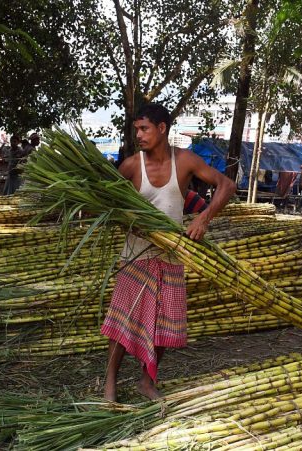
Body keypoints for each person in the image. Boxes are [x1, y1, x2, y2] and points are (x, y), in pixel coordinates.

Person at [100, 103, 235, 401]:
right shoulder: (131, 166)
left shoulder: (185, 161)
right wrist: (129, 221)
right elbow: (108, 207)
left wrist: (203, 217)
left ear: (162, 129)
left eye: (144, 128)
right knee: (122, 320)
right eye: (137, 129)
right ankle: (109, 384)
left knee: (162, 323)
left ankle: (147, 382)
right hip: (136, 256)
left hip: (171, 257)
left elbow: (226, 185)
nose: (139, 135)